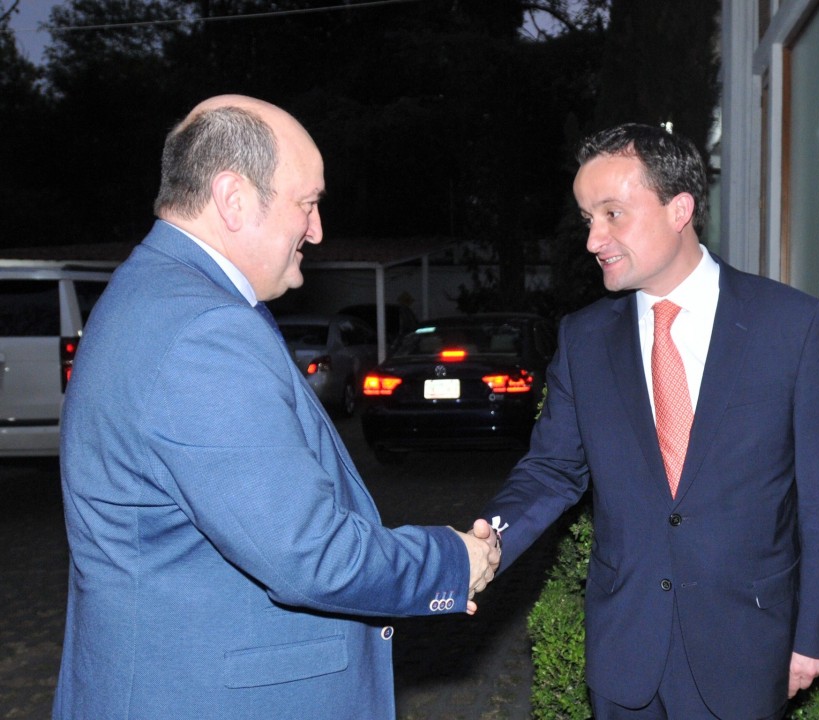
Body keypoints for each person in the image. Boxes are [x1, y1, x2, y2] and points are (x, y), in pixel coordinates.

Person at [54, 94, 500, 720]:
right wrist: (451, 561)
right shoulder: (202, 330)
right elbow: (308, 553)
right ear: (233, 199)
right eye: (307, 204)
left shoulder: (151, 293)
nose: (317, 231)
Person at [478, 124, 819, 719]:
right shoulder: (584, 339)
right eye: (588, 219)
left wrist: (818, 633)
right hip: (626, 648)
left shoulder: (791, 325)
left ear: (679, 209)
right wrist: (487, 540)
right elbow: (552, 470)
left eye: (612, 214)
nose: (593, 239)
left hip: (746, 643)